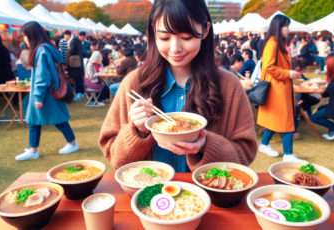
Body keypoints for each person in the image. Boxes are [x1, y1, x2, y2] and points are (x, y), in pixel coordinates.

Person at [99, 0, 257, 172]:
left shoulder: (229, 86)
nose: (175, 48)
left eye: (186, 37)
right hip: (149, 195)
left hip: (205, 197)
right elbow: (115, 159)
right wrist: (137, 131)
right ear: (153, 33)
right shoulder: (134, 83)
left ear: (204, 31)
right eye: (165, 37)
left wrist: (206, 145)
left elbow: (244, 156)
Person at [16, 21, 79, 161]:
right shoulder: (46, 48)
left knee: (50, 120)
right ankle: (35, 149)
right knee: (40, 120)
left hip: (45, 93)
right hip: (49, 91)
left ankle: (70, 144)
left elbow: (42, 76)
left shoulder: (40, 50)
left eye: (25, 36)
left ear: (31, 35)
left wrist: (38, 97)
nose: (24, 39)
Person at [257, 14, 303, 162]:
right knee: (286, 119)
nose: (288, 29)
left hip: (278, 87)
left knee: (277, 119)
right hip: (278, 88)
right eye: (286, 26)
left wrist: (288, 73)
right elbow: (269, 67)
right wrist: (288, 73)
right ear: (279, 27)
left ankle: (264, 144)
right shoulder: (273, 43)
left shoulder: (275, 42)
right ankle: (288, 154)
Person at [67, 36, 85, 102]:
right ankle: (80, 92)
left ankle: (78, 93)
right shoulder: (78, 41)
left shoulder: (73, 41)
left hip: (74, 64)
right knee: (79, 79)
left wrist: (66, 61)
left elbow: (70, 52)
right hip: (78, 64)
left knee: (77, 79)